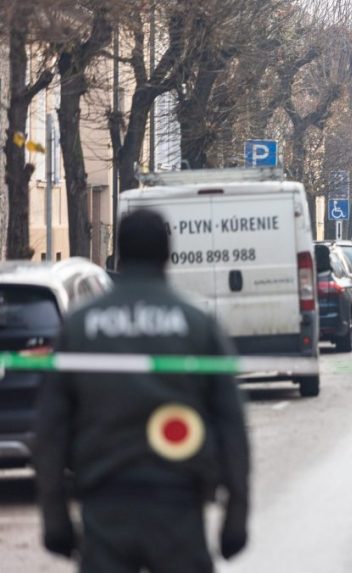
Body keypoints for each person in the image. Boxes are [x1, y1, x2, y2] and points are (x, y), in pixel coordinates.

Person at [35, 210, 251, 573]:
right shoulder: (197, 325)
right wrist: (237, 514)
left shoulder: (81, 327)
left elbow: (50, 430)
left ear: (118, 254)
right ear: (168, 254)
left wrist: (54, 516)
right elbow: (231, 425)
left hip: (106, 507)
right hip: (178, 509)